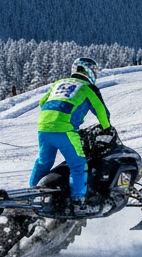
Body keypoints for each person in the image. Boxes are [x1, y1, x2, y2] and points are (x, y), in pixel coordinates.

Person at [30, 57, 111, 214]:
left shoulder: (58, 83)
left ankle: (32, 194)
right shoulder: (88, 88)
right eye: (94, 71)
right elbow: (101, 110)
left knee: (43, 162)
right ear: (88, 71)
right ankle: (78, 201)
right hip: (65, 129)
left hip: (43, 127)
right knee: (78, 164)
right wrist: (107, 128)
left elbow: (42, 102)